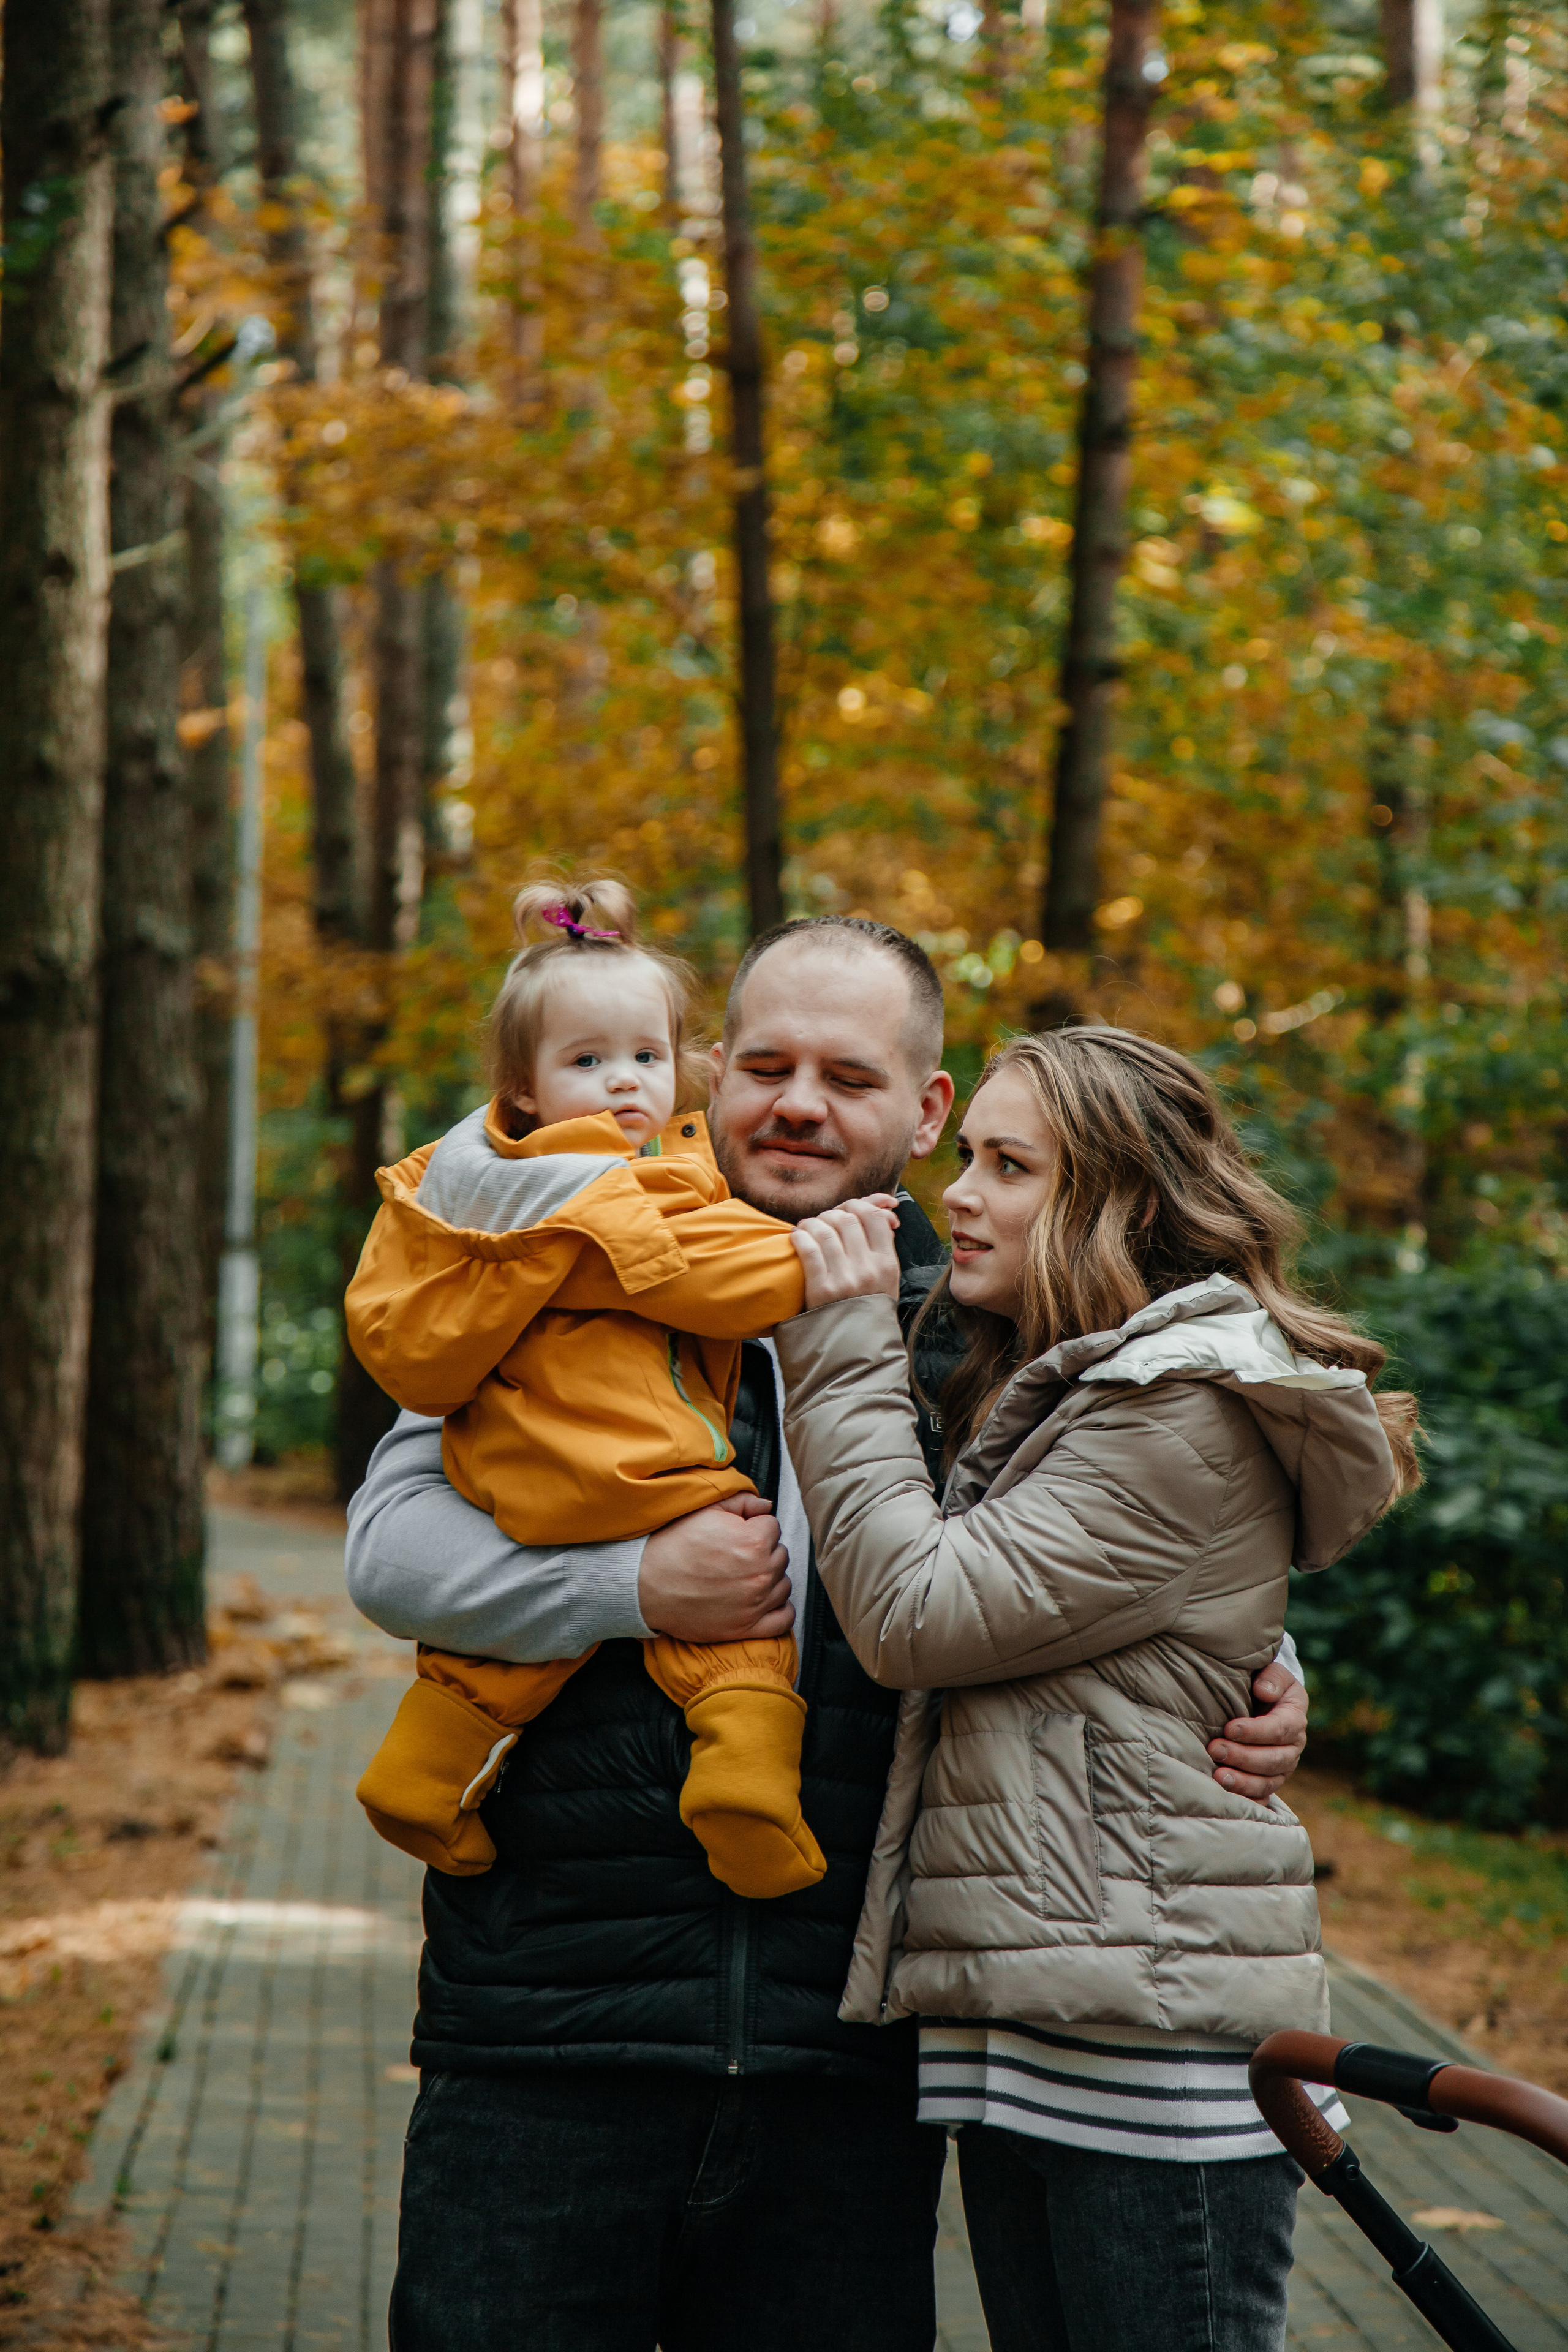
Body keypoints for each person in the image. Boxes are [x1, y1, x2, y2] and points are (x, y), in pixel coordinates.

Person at [345, 918, 1312, 2352]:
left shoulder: (983, 1316)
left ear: (924, 1111)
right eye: (767, 1065)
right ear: (709, 1074)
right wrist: (632, 1587)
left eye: (848, 1076)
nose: (798, 1103)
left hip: (850, 2064)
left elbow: (1136, 1544)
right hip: (550, 2031)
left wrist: (1274, 1677)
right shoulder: (565, 1251)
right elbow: (389, 1548)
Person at [780, 1027, 1420, 2352]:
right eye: (968, 1158)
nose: (958, 1193)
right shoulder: (1056, 1384)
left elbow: (912, 1614)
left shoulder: (1173, 1410)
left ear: (1116, 1201)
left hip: (1151, 2056)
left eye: (1009, 1165)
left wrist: (836, 1339)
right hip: (1050, 2030)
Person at [346, 876, 873, 1898]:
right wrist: (811, 1270)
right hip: (557, 1951)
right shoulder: (628, 1192)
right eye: (588, 1061)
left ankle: (419, 1773)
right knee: (742, 1639)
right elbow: (385, 1562)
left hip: (517, 1486)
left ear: (686, 1069)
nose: (626, 1083)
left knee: (494, 1666)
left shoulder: (477, 1217)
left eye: (645, 1057)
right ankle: (748, 1780)